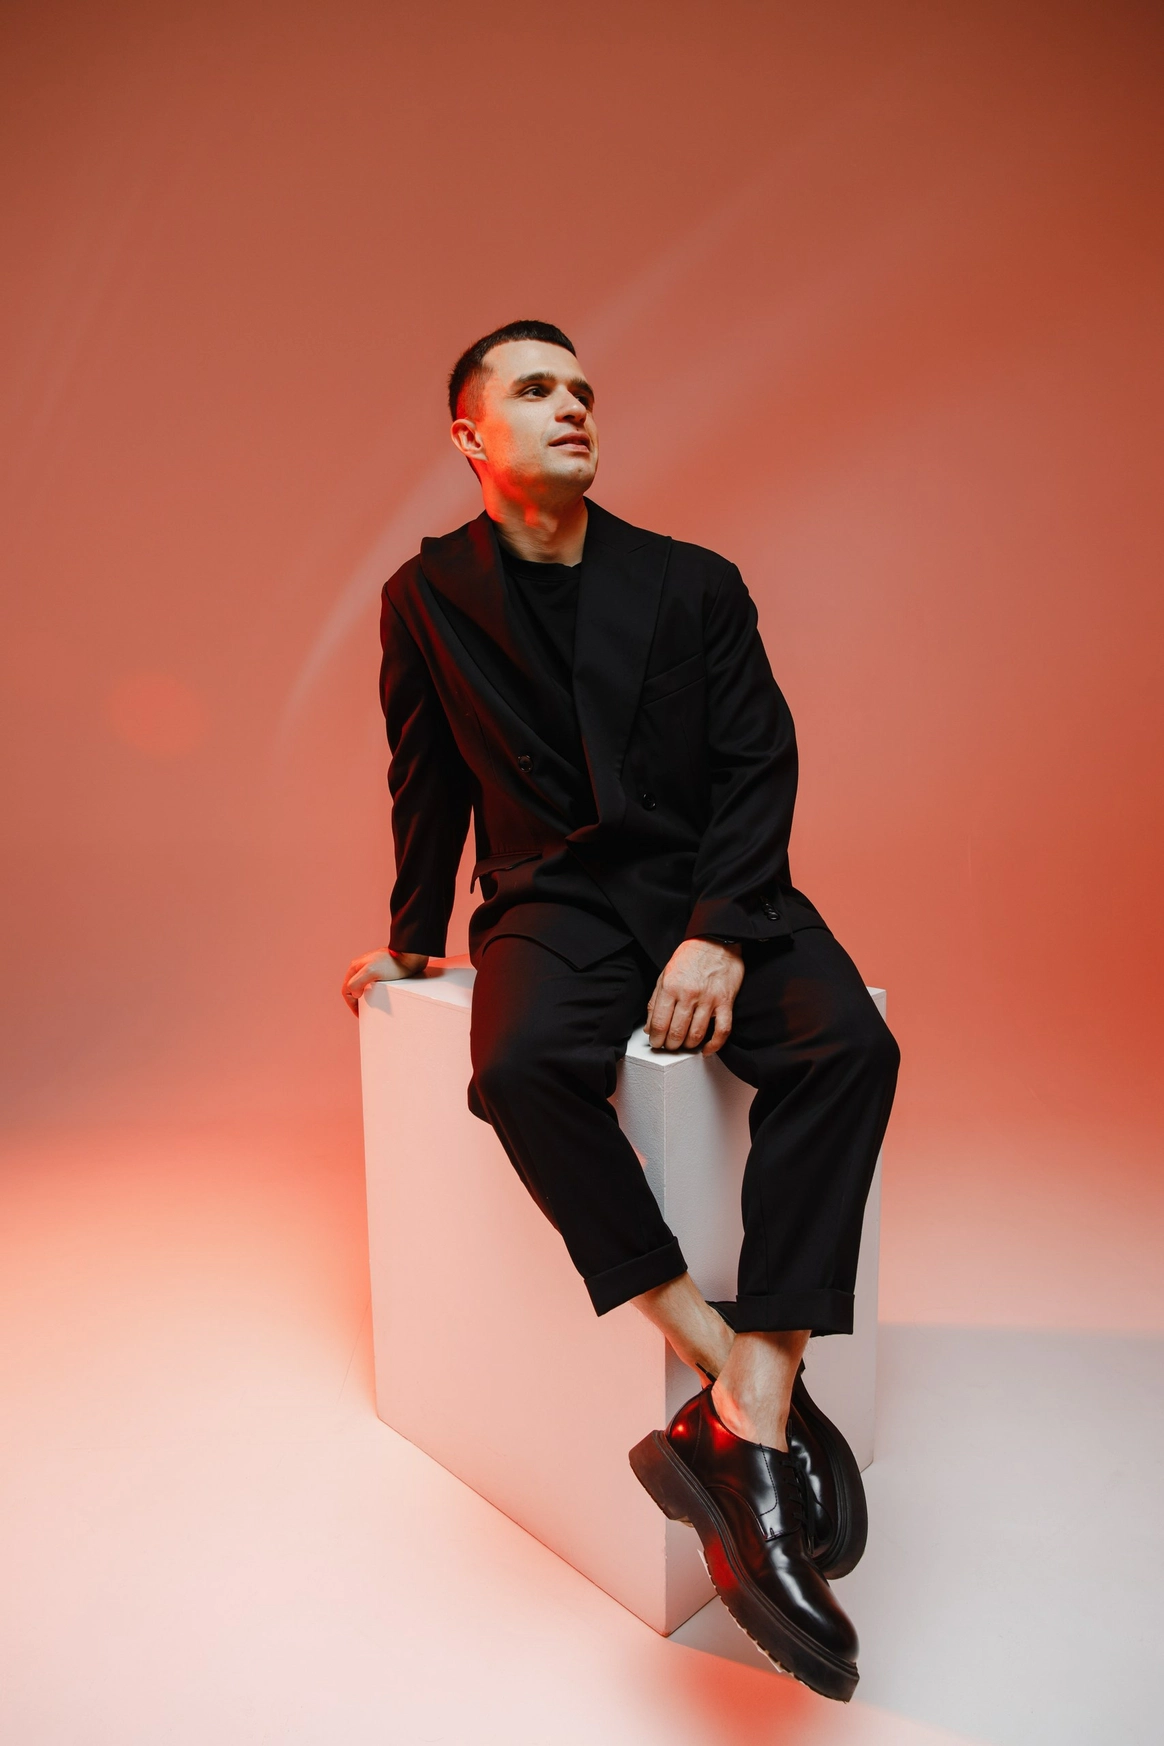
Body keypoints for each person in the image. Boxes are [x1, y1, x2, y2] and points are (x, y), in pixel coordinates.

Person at [342, 320, 899, 1702]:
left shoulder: (693, 580)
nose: (574, 405)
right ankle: (734, 1375)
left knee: (850, 1044)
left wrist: (718, 933)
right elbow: (426, 776)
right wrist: (411, 942)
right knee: (520, 1065)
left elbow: (761, 763)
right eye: (537, 389)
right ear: (472, 437)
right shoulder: (424, 595)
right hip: (551, 900)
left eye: (584, 389)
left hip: (712, 882)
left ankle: (748, 1403)